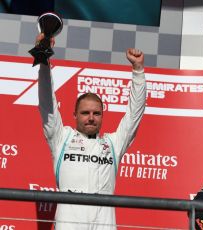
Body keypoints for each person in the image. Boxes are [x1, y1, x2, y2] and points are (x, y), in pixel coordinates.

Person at [36, 33, 146, 229]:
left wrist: (138, 71)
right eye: (85, 112)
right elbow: (47, 104)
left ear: (103, 116)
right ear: (75, 115)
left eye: (96, 113)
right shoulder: (62, 138)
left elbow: (134, 114)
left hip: (104, 223)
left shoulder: (113, 143)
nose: (91, 117)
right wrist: (44, 60)